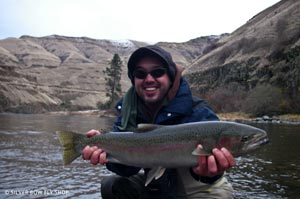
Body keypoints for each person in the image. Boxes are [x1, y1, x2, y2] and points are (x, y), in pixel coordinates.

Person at [82, 45, 236, 199]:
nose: (149, 79)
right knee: (111, 186)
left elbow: (213, 173)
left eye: (157, 72)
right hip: (158, 184)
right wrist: (105, 150)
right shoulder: (129, 112)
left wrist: (208, 174)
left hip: (200, 189)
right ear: (134, 80)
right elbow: (127, 171)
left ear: (170, 77)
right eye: (140, 73)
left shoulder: (198, 111)